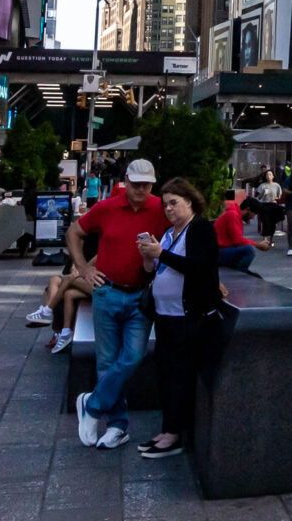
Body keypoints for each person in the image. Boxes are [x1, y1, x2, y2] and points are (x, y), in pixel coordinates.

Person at [73, 158, 169, 450]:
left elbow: (185, 236)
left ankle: (93, 404)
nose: (141, 189)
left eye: (146, 184)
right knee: (107, 361)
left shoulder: (161, 209)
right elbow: (74, 233)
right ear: (126, 180)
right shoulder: (107, 207)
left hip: (140, 294)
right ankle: (117, 425)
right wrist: (84, 269)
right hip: (108, 291)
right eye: (136, 183)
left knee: (133, 356)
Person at [136, 176, 221, 460]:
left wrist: (162, 254)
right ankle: (168, 428)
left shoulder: (200, 229)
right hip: (166, 317)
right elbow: (156, 272)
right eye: (165, 205)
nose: (169, 209)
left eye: (174, 203)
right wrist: (150, 257)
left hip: (189, 318)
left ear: (190, 201)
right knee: (166, 373)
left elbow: (199, 267)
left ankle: (174, 434)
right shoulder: (171, 233)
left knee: (180, 376)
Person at [214, 185, 257, 273]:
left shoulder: (236, 215)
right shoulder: (233, 215)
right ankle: (239, 273)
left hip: (224, 249)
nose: (253, 217)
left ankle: (240, 270)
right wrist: (258, 244)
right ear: (248, 209)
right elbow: (237, 240)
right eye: (254, 214)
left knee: (245, 249)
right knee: (249, 250)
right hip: (217, 252)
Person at [252, 170, 284, 251]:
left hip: (273, 205)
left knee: (272, 222)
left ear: (273, 176)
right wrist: (263, 193)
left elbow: (279, 196)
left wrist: (276, 198)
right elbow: (258, 198)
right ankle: (265, 239)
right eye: (267, 175)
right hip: (264, 205)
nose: (268, 176)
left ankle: (271, 239)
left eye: (270, 174)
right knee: (265, 222)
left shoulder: (277, 185)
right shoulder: (262, 186)